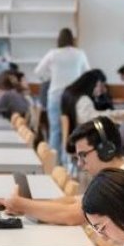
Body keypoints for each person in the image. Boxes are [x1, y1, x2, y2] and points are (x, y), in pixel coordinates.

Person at [0, 118, 124, 226]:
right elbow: (75, 201)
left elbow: (72, 216)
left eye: (83, 155)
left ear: (106, 150)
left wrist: (23, 205)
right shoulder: (118, 172)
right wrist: (25, 206)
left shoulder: (122, 182)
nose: (80, 164)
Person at [35, 28, 90, 156]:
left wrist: (51, 76)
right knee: (73, 130)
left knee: (55, 130)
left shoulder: (53, 54)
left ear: (58, 40)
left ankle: (53, 161)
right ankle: (70, 163)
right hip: (73, 96)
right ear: (72, 39)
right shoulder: (79, 53)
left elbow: (38, 72)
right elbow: (87, 73)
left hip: (55, 95)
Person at [60, 69, 109, 152]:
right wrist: (115, 114)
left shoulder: (69, 93)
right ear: (92, 84)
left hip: (70, 140)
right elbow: (90, 119)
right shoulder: (83, 99)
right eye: (98, 85)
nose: (100, 89)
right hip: (81, 142)